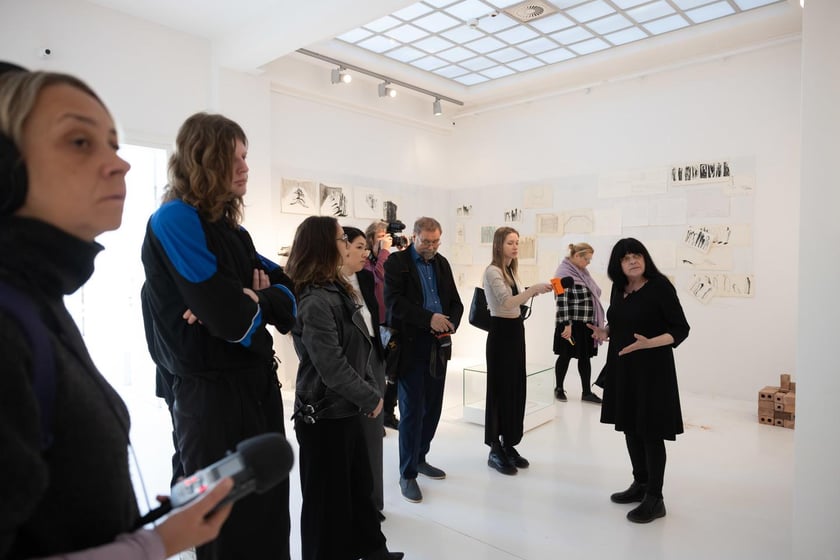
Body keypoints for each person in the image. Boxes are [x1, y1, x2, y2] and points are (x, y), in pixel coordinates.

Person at [0, 69, 233, 559]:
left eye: (113, 143)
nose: (121, 164)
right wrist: (155, 543)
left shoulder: (36, 300)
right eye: (79, 141)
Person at [140, 112, 296, 559]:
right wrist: (244, 302)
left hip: (257, 386)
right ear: (205, 159)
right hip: (211, 398)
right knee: (224, 526)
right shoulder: (174, 219)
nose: (246, 167)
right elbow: (231, 319)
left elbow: (290, 294)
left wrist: (255, 298)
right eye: (236, 157)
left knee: (269, 516)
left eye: (246, 156)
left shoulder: (235, 232)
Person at [286, 216, 403, 560]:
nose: (347, 244)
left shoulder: (335, 290)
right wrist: (371, 396)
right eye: (341, 239)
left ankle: (373, 551)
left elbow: (355, 349)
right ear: (325, 246)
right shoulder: (315, 299)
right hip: (324, 415)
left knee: (358, 490)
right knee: (327, 508)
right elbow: (331, 366)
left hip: (344, 408)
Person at [588, 238, 690, 524]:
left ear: (645, 258)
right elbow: (620, 321)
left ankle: (655, 498)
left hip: (653, 370)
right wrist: (606, 331)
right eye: (626, 258)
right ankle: (641, 484)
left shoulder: (660, 287)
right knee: (630, 428)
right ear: (618, 265)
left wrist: (649, 343)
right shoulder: (619, 288)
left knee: (650, 431)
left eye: (637, 255)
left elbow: (681, 329)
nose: (633, 261)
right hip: (623, 368)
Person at [384, 216, 463, 503]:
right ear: (414, 237)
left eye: (436, 241)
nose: (431, 246)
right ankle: (407, 474)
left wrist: (450, 323)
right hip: (410, 345)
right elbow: (394, 303)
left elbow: (455, 301)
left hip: (438, 344)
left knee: (433, 408)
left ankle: (420, 457)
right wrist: (429, 319)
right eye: (426, 241)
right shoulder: (397, 263)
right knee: (412, 411)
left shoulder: (441, 263)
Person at [482, 227, 552, 475]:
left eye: (517, 243)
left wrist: (531, 290)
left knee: (514, 388)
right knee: (499, 390)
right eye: (510, 242)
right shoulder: (492, 271)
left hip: (514, 332)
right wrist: (531, 291)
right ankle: (494, 448)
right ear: (498, 245)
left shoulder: (510, 270)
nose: (515, 247)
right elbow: (507, 302)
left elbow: (515, 302)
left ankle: (508, 443)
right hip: (501, 334)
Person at [344, 225, 387, 519]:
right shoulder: (329, 285)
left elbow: (375, 317)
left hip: (373, 357)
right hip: (349, 363)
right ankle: (354, 503)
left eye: (365, 247)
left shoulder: (365, 277)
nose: (366, 253)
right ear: (342, 248)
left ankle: (373, 502)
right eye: (359, 247)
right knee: (350, 436)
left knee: (373, 433)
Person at [553, 242, 605, 403]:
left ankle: (586, 393)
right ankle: (559, 388)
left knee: (585, 358)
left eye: (589, 260)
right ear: (576, 256)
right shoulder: (562, 273)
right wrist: (567, 324)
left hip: (585, 325)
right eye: (586, 259)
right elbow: (561, 301)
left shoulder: (582, 272)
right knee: (565, 356)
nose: (588, 263)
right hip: (569, 325)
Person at [364, 220, 399, 429]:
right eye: (380, 237)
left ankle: (388, 413)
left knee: (394, 371)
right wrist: (384, 251)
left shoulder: (388, 258)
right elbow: (377, 276)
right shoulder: (364, 260)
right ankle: (374, 416)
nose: (385, 241)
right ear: (370, 239)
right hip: (373, 323)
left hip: (391, 319)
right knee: (375, 371)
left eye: (387, 237)